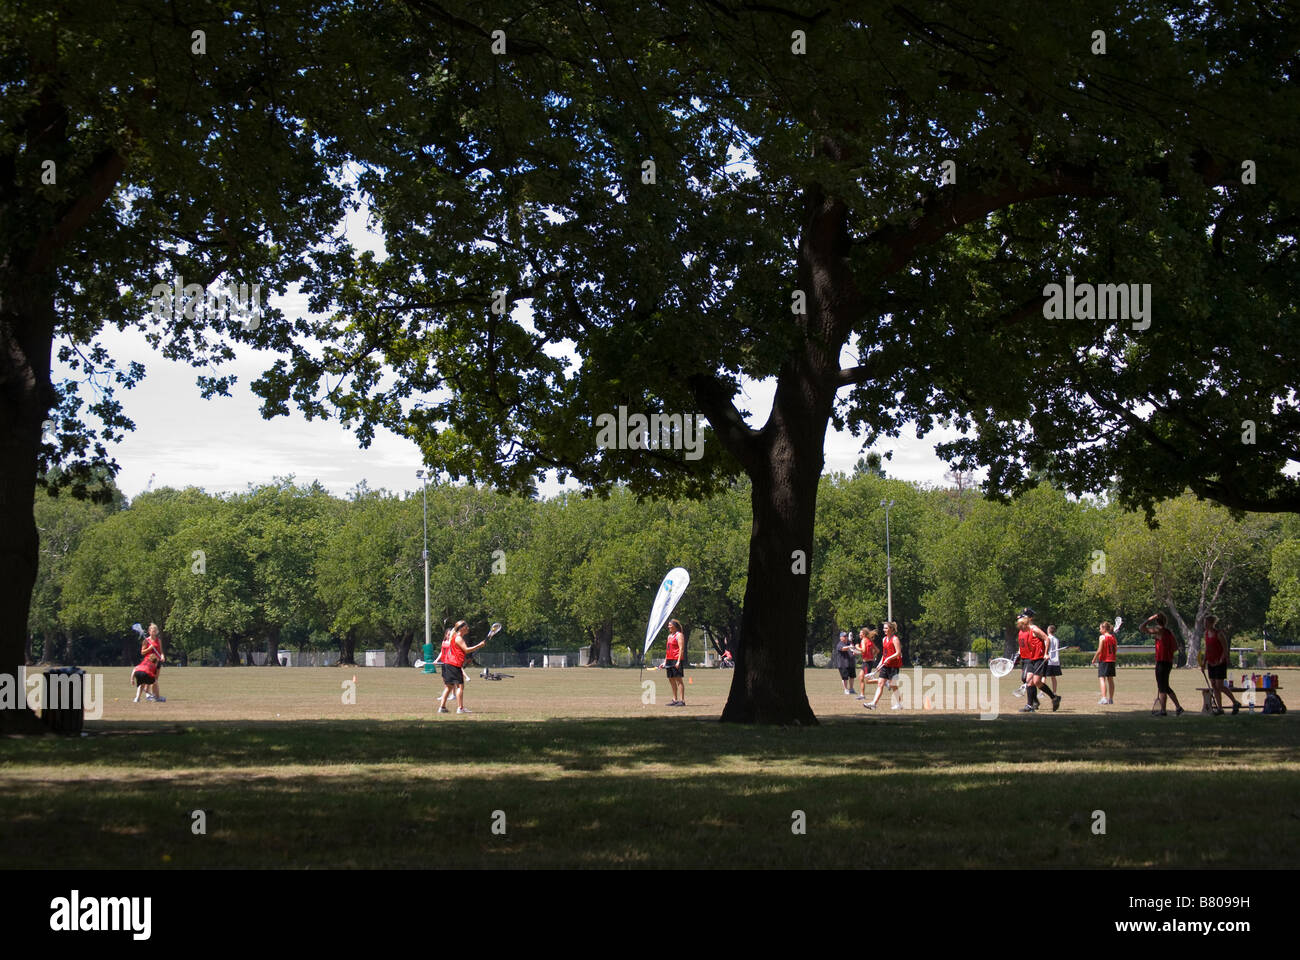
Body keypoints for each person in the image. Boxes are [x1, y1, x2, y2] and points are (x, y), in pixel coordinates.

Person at [437, 620, 486, 715]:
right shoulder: (458, 638)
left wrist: (465, 659)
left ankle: (442, 707)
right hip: (453, 664)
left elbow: (460, 651)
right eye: (466, 626)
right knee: (460, 686)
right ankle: (460, 708)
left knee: (449, 687)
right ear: (462, 628)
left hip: (449, 663)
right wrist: (479, 645)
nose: (468, 628)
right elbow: (466, 650)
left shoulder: (454, 636)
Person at [1016, 609, 1060, 712]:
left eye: (1025, 617)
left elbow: (1047, 638)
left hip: (1039, 658)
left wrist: (1046, 653)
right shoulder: (1024, 630)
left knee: (1036, 682)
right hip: (1031, 659)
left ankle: (1054, 697)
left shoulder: (1034, 629)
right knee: (1029, 681)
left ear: (1030, 618)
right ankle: (1030, 705)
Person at [1141, 613, 1184, 716]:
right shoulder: (1169, 632)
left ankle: (1163, 710)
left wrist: (1149, 619)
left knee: (1162, 687)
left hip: (1161, 662)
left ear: (1157, 621)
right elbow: (1175, 647)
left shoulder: (1158, 630)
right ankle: (1178, 707)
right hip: (1168, 662)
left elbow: (1142, 628)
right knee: (1165, 686)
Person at [1203, 615, 1240, 715]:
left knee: (1220, 685)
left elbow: (1225, 648)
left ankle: (1235, 702)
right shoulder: (1206, 634)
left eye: (1206, 623)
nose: (1205, 625)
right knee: (1214, 685)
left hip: (1219, 663)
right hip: (1211, 663)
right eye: (1204, 623)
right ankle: (1220, 708)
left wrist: (1222, 659)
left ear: (1211, 623)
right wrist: (1203, 662)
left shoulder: (1219, 634)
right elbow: (1207, 649)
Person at [865, 622, 903, 710]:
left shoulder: (895, 639)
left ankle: (899, 704)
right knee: (880, 683)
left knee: (893, 685)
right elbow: (884, 654)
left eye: (886, 628)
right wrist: (880, 663)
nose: (884, 630)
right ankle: (873, 704)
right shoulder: (884, 639)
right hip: (885, 665)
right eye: (884, 628)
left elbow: (898, 653)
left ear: (891, 629)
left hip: (894, 665)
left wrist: (889, 658)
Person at [1091, 620, 1118, 705]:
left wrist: (1094, 659)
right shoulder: (1113, 637)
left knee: (1102, 678)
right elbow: (1116, 649)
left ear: (1104, 629)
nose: (1099, 630)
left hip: (1104, 660)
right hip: (1112, 660)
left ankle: (1104, 698)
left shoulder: (1102, 637)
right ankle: (1111, 699)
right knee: (1110, 679)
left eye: (1100, 628)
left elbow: (1099, 650)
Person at [140, 623, 166, 702]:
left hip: (157, 662)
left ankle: (153, 695)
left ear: (157, 632)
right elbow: (142, 652)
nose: (154, 632)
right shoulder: (146, 640)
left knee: (155, 679)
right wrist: (150, 648)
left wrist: (162, 656)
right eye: (152, 631)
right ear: (149, 631)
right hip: (149, 662)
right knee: (151, 679)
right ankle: (149, 694)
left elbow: (161, 651)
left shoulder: (158, 640)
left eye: (155, 631)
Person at [664, 619, 687, 706]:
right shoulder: (669, 636)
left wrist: (678, 661)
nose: (669, 626)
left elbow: (681, 648)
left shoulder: (679, 635)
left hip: (676, 659)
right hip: (669, 659)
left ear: (675, 626)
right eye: (668, 625)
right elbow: (668, 649)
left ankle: (682, 700)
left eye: (670, 625)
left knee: (678, 680)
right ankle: (675, 700)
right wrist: (665, 661)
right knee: (671, 679)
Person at [857, 628, 879, 699]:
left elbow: (863, 650)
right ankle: (862, 695)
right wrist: (872, 655)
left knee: (867, 681)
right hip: (867, 662)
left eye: (860, 633)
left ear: (863, 634)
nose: (859, 634)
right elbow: (877, 650)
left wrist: (857, 647)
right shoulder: (869, 640)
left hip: (867, 663)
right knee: (860, 677)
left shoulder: (863, 640)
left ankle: (883, 681)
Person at [835, 630, 857, 695]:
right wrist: (850, 647)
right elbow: (843, 648)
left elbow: (853, 651)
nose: (845, 637)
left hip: (851, 663)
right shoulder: (839, 644)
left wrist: (854, 653)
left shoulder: (849, 644)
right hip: (843, 664)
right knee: (845, 678)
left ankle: (851, 689)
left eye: (846, 636)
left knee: (852, 676)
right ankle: (846, 689)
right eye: (844, 636)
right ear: (840, 638)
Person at [1044, 624, 1062, 695]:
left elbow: (1046, 647)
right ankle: (1054, 692)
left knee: (1043, 676)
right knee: (1053, 677)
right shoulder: (1056, 639)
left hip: (1048, 660)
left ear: (1048, 630)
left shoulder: (1047, 638)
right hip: (1055, 661)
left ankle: (1042, 692)